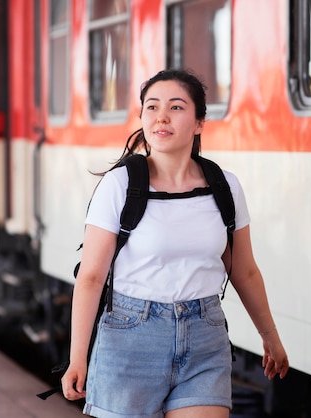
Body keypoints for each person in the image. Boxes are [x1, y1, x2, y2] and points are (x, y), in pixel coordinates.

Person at [61, 69, 289, 418]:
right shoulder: (119, 185)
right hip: (130, 338)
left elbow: (243, 270)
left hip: (204, 336)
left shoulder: (225, 187)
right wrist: (78, 357)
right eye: (151, 107)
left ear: (199, 122)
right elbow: (91, 277)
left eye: (176, 107)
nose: (161, 117)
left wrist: (270, 337)